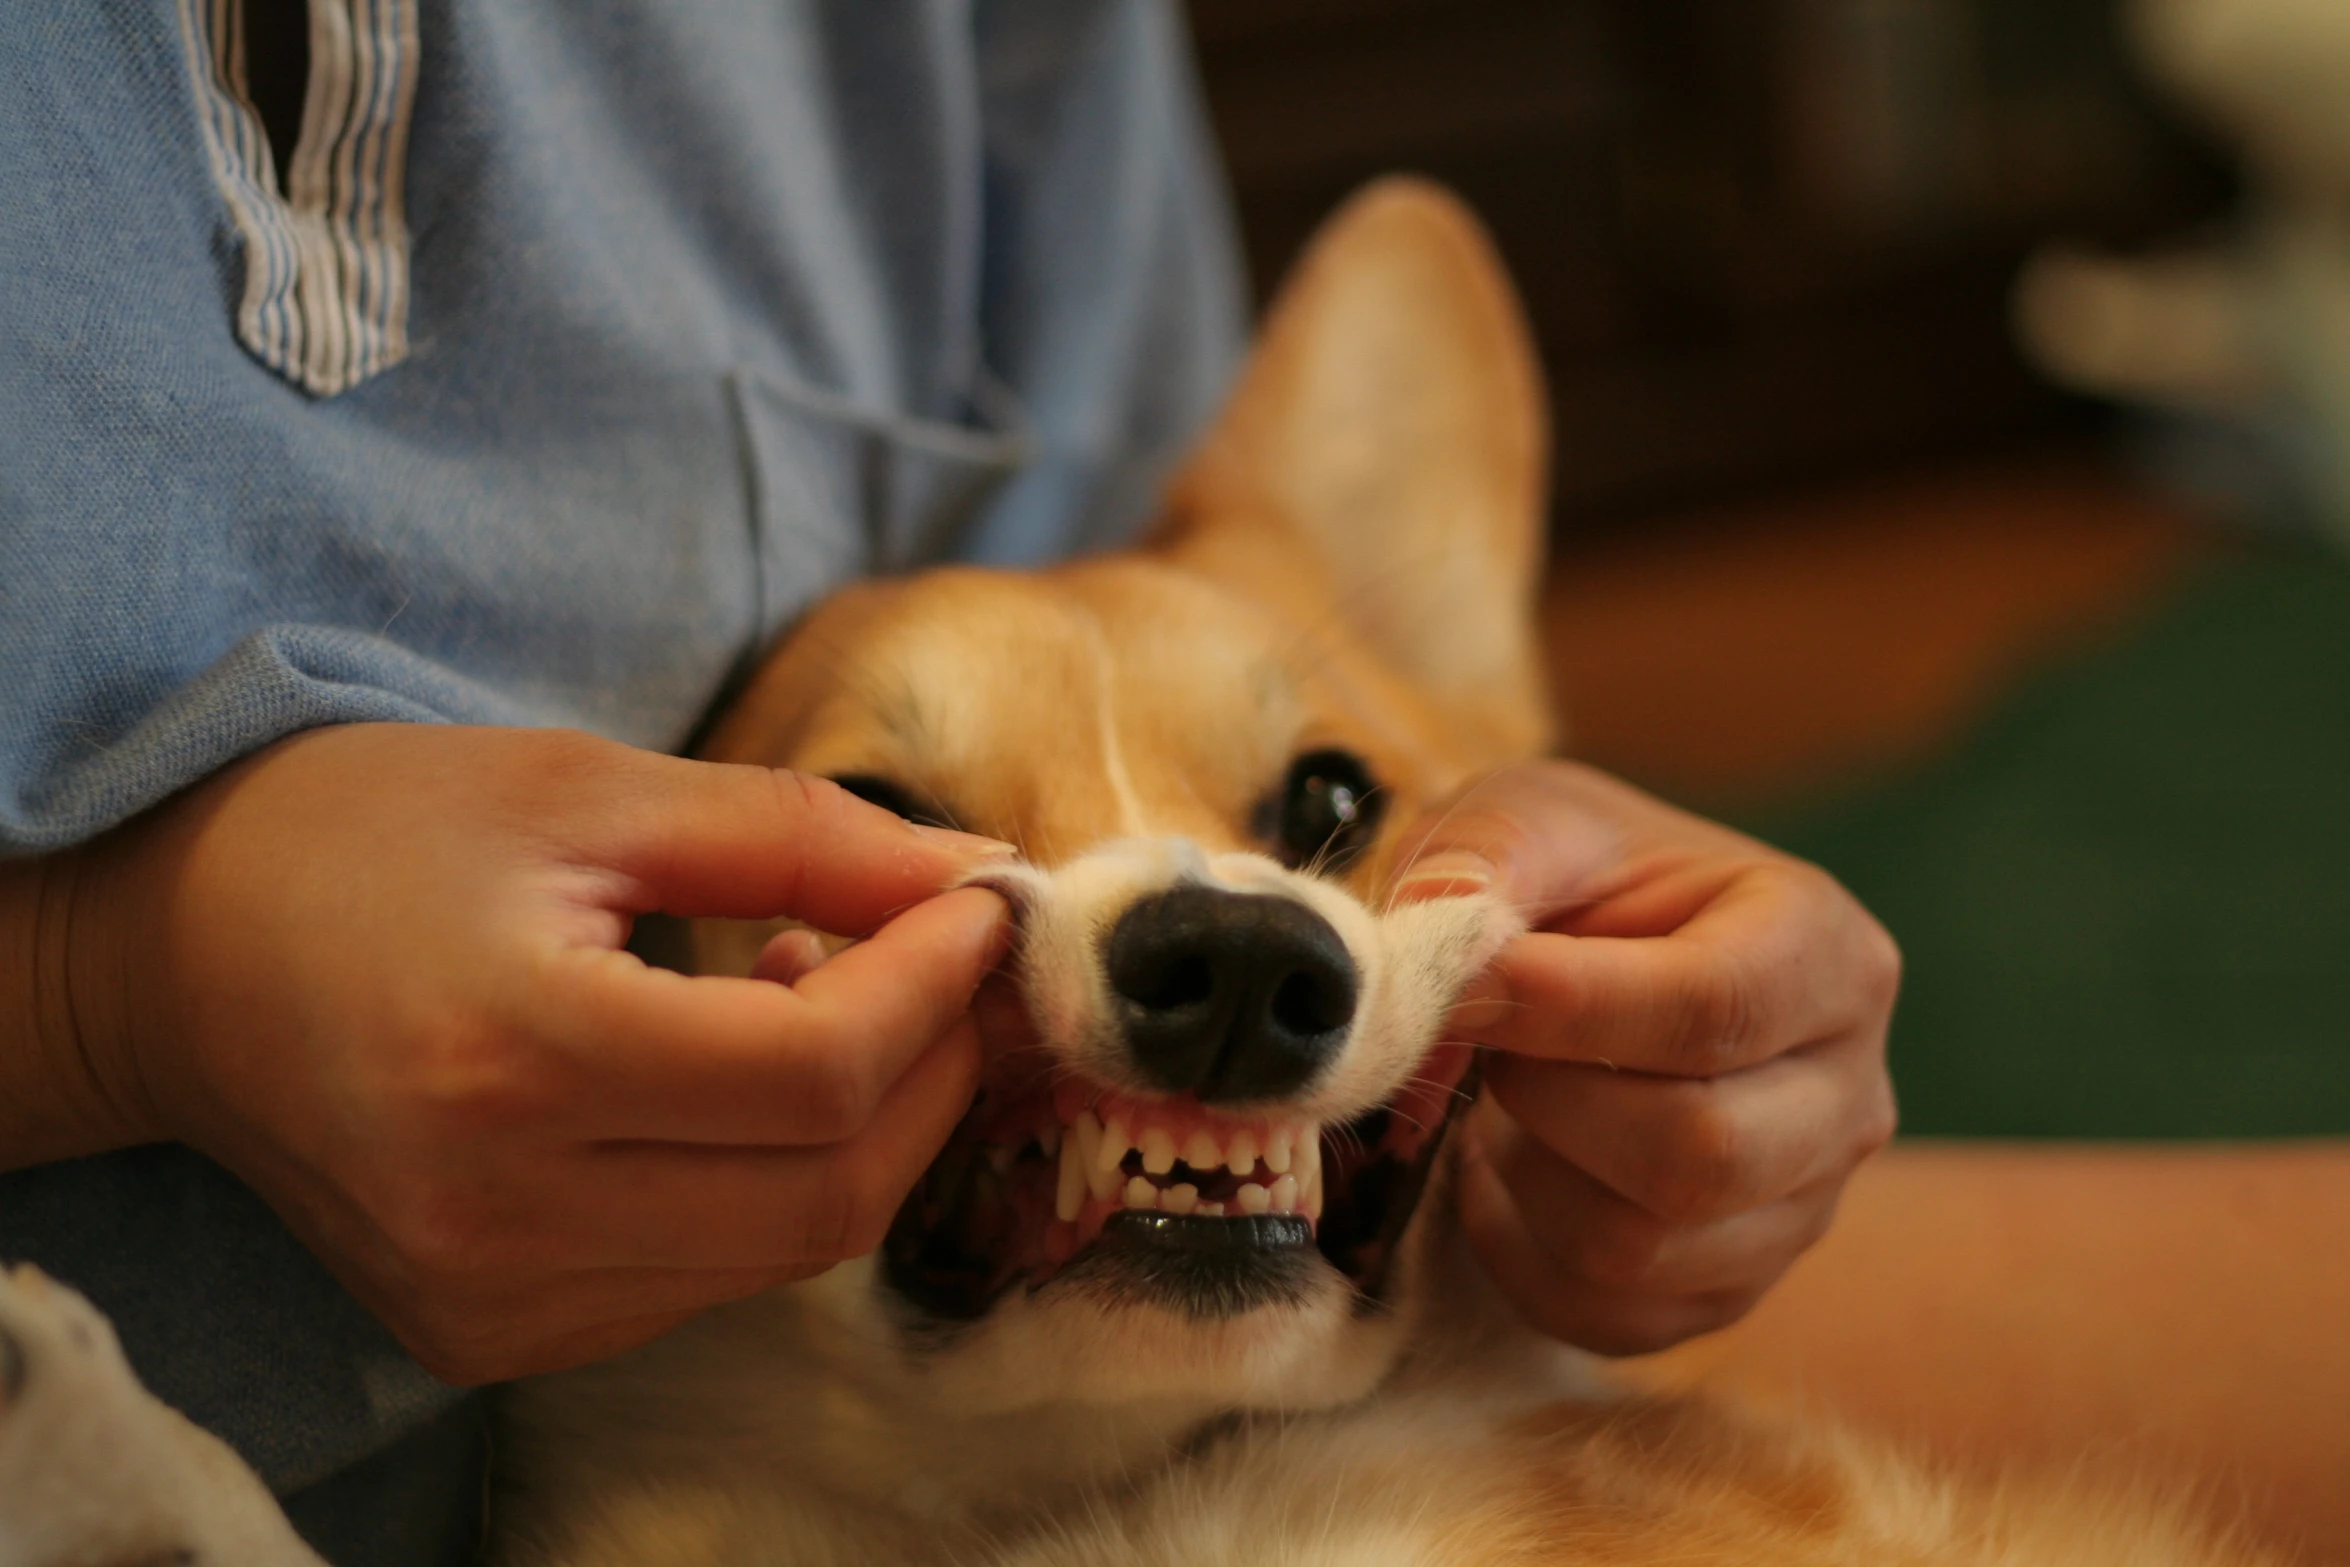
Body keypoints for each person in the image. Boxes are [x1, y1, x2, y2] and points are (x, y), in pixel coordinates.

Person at [0, 2, 1897, 1561]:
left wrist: (1688, 1081)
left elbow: (1106, 556)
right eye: (899, 814)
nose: (1219, 925)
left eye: (1310, 810)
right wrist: (105, 996)